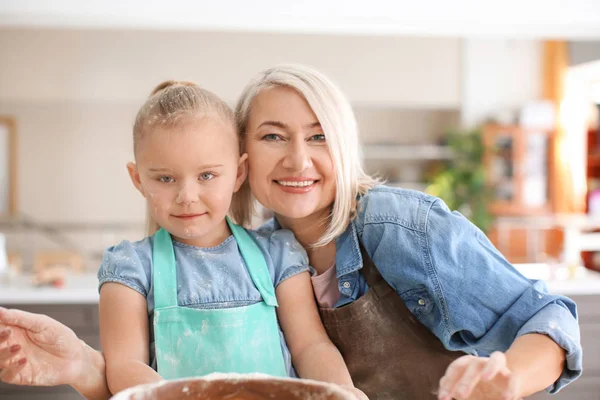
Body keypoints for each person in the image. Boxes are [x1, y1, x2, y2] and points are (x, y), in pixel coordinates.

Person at [0, 65, 582, 400]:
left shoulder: (396, 226)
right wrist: (80, 364)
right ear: (246, 156)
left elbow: (549, 318)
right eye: (274, 135)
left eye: (319, 135)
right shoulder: (266, 249)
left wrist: (505, 378)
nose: (298, 159)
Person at [0, 79, 366, 399]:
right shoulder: (130, 268)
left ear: (238, 173)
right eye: (165, 178)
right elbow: (125, 367)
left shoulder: (277, 253)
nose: (187, 195)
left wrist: (342, 392)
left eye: (207, 175)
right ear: (138, 179)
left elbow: (311, 345)